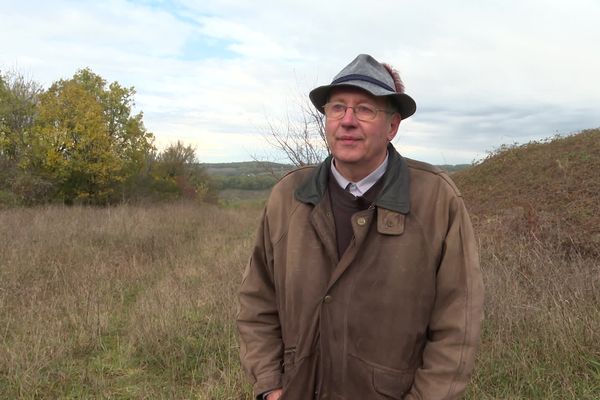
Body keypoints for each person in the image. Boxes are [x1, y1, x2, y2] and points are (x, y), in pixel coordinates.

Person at [237, 54, 484, 400]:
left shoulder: (436, 199)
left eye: (365, 109)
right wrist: (270, 385)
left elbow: (457, 325)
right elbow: (256, 303)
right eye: (337, 108)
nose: (347, 121)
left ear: (393, 127)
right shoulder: (288, 197)